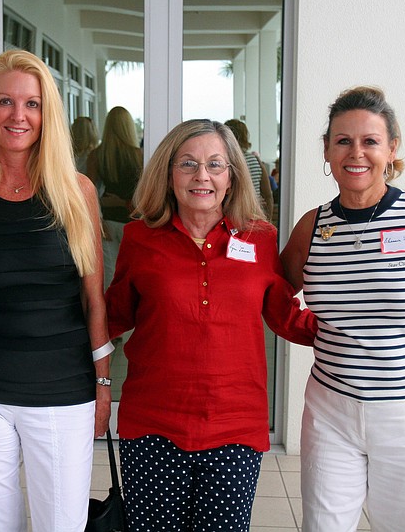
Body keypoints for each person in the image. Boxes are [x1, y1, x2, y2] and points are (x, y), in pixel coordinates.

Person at [280, 86, 405, 532]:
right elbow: (268, 292)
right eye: (343, 140)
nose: (356, 152)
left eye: (370, 141)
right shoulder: (313, 227)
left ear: (391, 149)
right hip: (330, 411)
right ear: (328, 152)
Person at [105, 119, 317, 531]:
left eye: (215, 165)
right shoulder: (139, 238)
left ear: (232, 176)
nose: (202, 176)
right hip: (153, 424)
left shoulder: (259, 239)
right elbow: (114, 315)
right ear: (168, 174)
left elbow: (283, 315)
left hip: (235, 426)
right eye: (188, 164)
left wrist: (365, 329)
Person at [0, 49, 112, 532]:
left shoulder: (76, 191)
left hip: (62, 388)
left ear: (47, 113)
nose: (19, 116)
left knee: (62, 525)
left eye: (32, 104)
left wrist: (102, 385)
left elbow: (93, 299)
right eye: (5, 102)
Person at [86, 106, 143, 289]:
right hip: (133, 221)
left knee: (109, 278)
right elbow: (146, 194)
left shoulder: (97, 155)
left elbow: (88, 190)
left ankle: (108, 318)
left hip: (107, 222)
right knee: (134, 274)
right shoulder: (139, 155)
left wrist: (98, 219)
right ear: (128, 126)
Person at [224, 118, 274, 220]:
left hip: (232, 215)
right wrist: (267, 221)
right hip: (254, 213)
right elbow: (267, 195)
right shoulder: (255, 160)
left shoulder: (225, 162)